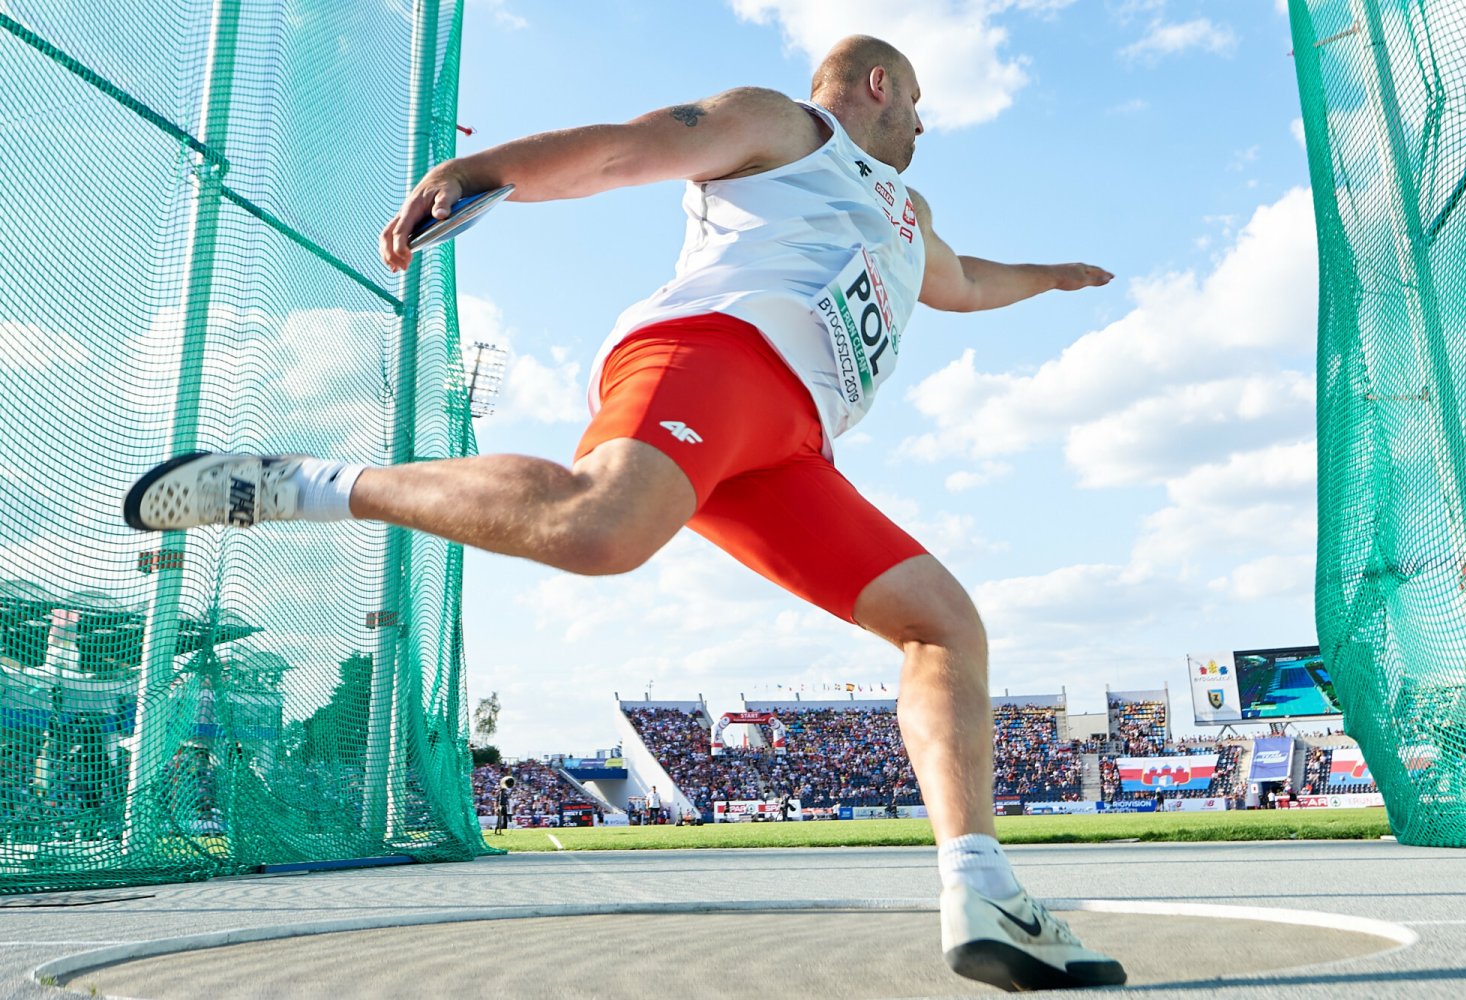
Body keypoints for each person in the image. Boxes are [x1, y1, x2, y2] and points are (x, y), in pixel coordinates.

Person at [122, 34, 1122, 991]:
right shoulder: (784, 128)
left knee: (943, 623)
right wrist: (495, 170)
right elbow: (638, 146)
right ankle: (292, 483)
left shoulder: (910, 214)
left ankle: (986, 896)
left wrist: (1057, 277)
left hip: (793, 443)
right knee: (602, 528)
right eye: (917, 108)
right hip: (711, 359)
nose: (923, 128)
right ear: (874, 87)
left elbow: (966, 281)